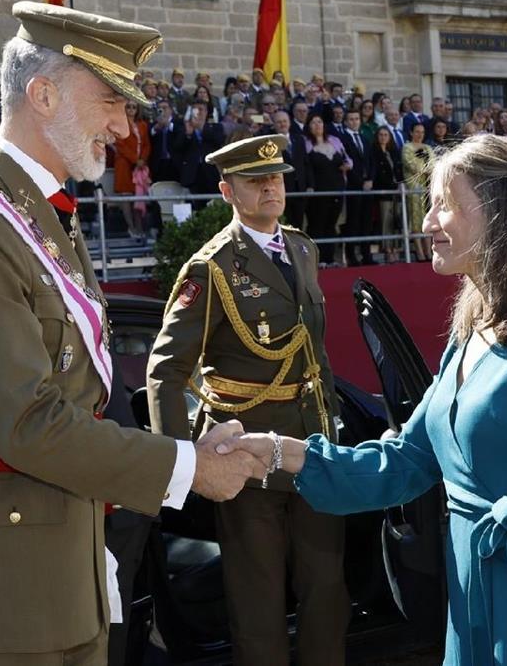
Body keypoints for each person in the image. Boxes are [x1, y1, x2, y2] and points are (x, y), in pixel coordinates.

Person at [0, 4, 265, 665]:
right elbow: (31, 421)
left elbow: (74, 393)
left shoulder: (35, 214)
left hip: (56, 564)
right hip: (1, 589)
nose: (124, 126)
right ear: (43, 94)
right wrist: (189, 467)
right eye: (110, 102)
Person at [221, 133, 507, 665]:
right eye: (429, 205)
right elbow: (404, 462)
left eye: (446, 206)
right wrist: (278, 451)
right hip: (467, 608)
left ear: (506, 215)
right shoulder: (470, 328)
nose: (428, 223)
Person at [147, 134, 347, 666]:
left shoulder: (303, 247)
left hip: (311, 446)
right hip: (247, 457)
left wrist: (334, 423)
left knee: (326, 591)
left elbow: (313, 349)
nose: (269, 188)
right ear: (227, 191)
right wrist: (182, 464)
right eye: (255, 181)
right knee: (257, 603)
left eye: (276, 177)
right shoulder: (209, 268)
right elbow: (165, 372)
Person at [304, 114, 349, 266]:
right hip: (318, 191)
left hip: (336, 189)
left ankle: (329, 259)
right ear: (309, 126)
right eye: (313, 122)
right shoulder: (306, 144)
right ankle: (318, 259)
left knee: (331, 224)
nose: (317, 125)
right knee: (317, 224)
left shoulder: (335, 141)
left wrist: (348, 165)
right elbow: (305, 165)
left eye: (320, 121)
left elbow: (347, 159)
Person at [113, 99, 152, 238]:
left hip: (139, 167)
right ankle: (131, 227)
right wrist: (136, 160)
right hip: (124, 165)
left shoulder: (142, 125)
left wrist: (142, 160)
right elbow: (120, 144)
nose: (131, 109)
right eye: (128, 107)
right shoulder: (119, 124)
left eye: (134, 107)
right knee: (126, 197)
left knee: (138, 197)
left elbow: (147, 144)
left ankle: (139, 227)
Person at [340, 108, 372, 265]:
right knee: (352, 222)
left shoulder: (365, 139)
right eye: (351, 119)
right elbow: (346, 163)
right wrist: (360, 182)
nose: (354, 121)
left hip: (368, 187)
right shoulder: (343, 139)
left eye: (356, 119)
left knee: (366, 221)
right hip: (353, 186)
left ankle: (367, 255)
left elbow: (370, 161)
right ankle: (351, 256)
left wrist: (370, 179)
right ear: (346, 122)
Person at [270, 110, 311, 231]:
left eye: (285, 121)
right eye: (279, 122)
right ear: (274, 124)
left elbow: (306, 163)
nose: (282, 124)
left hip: (300, 190)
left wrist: (310, 185)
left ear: (289, 123)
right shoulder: (270, 142)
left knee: (298, 225)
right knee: (283, 225)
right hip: (282, 190)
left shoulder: (299, 139)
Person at [368, 125, 403, 262]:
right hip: (383, 191)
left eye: (386, 135)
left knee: (396, 221)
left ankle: (395, 249)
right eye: (381, 135)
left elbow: (398, 170)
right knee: (385, 222)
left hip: (395, 191)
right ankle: (387, 250)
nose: (383, 137)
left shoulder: (393, 152)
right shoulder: (374, 152)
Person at [402, 121, 432, 262]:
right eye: (417, 131)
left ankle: (429, 251)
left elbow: (434, 164)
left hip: (427, 189)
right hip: (413, 189)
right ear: (411, 133)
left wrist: (426, 168)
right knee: (415, 221)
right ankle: (419, 252)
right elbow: (412, 165)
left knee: (428, 220)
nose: (420, 134)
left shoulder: (427, 147)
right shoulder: (407, 147)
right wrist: (426, 167)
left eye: (422, 132)